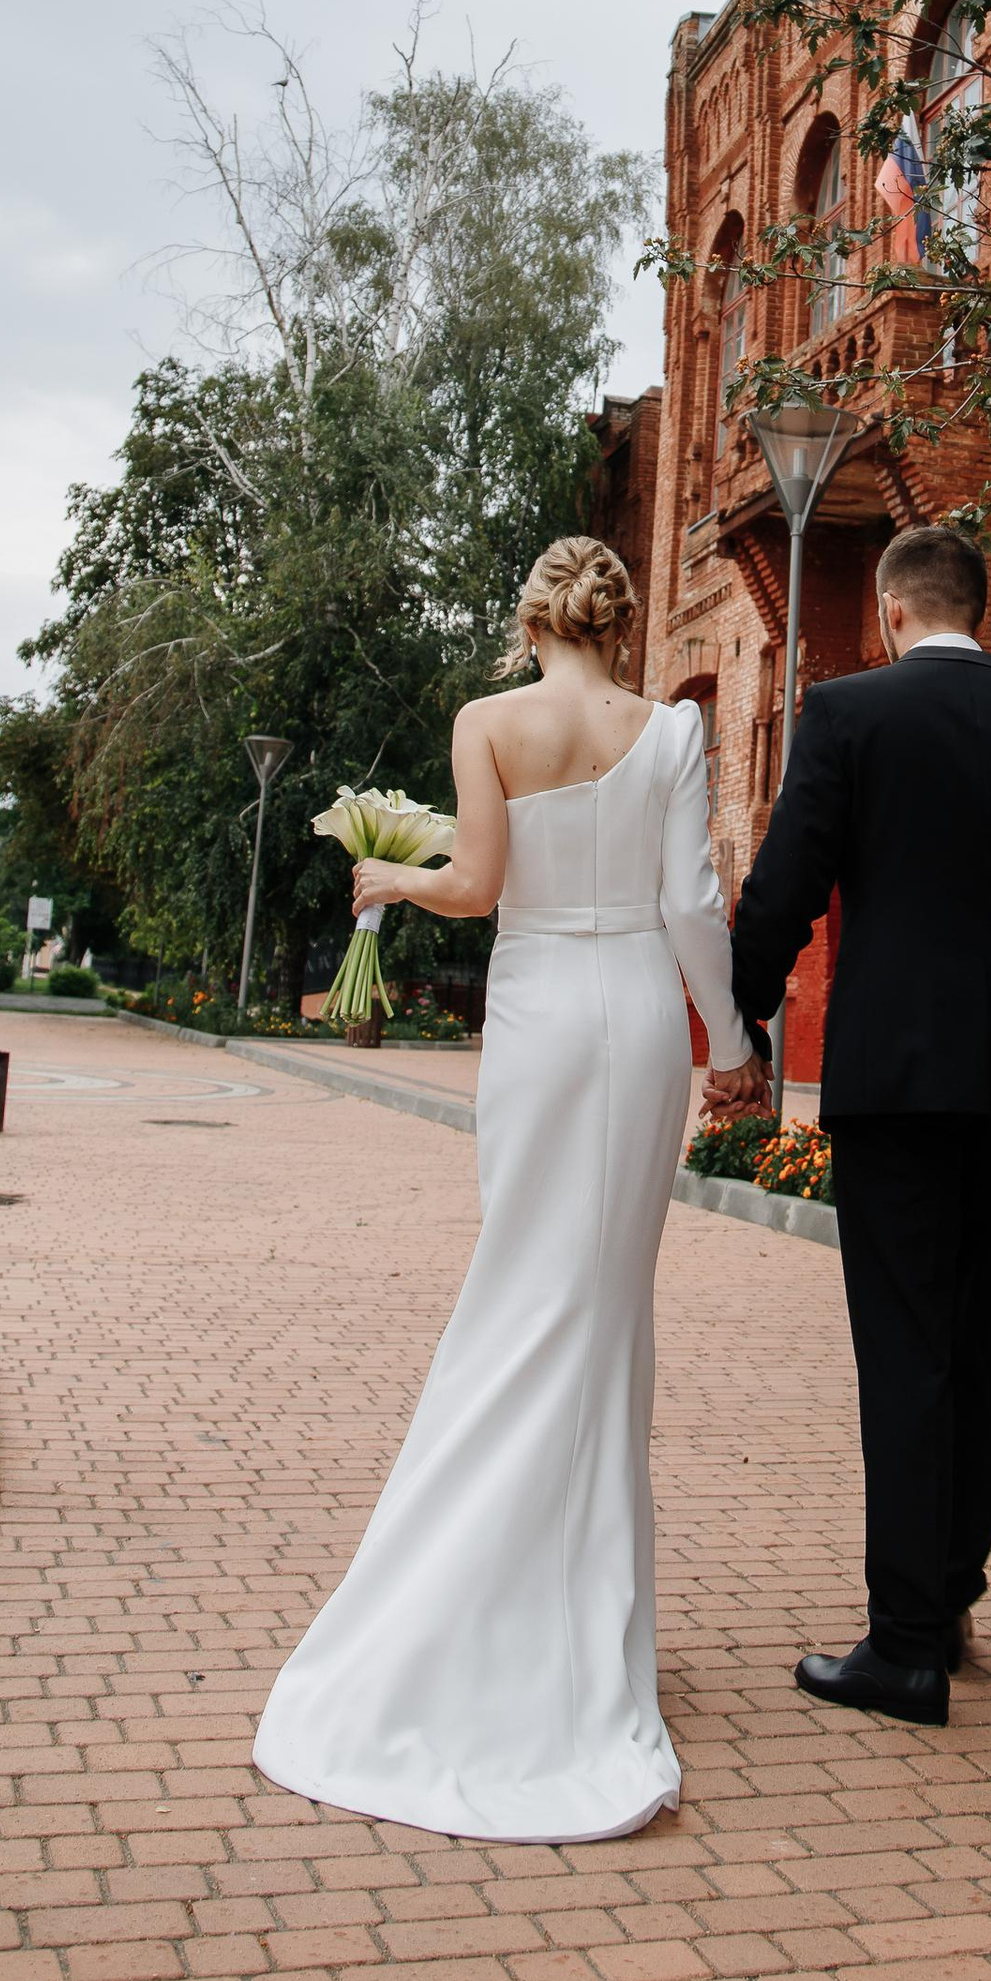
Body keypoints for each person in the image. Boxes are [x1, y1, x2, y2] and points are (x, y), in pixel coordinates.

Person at [253, 535, 757, 1841]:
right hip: (640, 1021)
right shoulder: (668, 730)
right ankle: (584, 1625)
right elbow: (692, 904)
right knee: (603, 1313)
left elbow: (475, 889)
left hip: (538, 1021)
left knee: (525, 1290)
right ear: (621, 618)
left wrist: (390, 880)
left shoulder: (488, 721)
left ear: (532, 618)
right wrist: (737, 1045)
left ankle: (497, 1604)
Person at [719, 523, 991, 1726]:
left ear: (895, 614)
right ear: (985, 614)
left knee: (904, 1349)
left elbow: (784, 887)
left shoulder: (848, 718)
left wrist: (738, 1033)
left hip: (894, 1087)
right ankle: (949, 1597)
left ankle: (903, 1646)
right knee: (979, 1338)